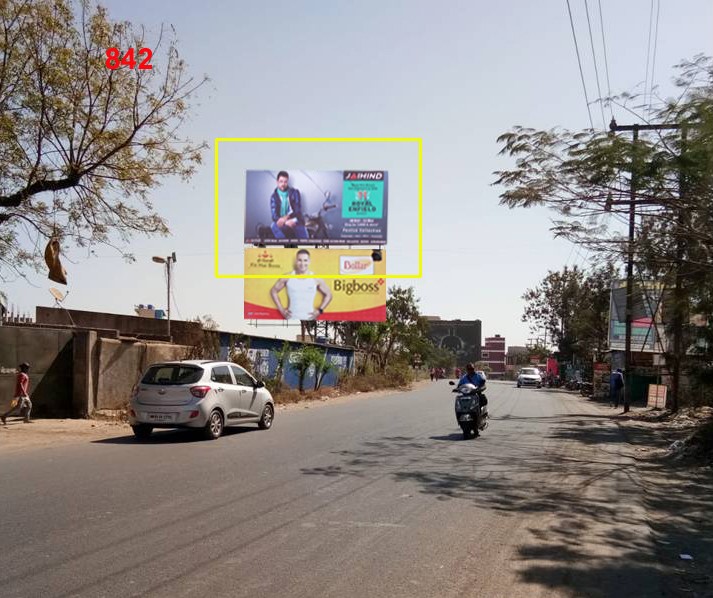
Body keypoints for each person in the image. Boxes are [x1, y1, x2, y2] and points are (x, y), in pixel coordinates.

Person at [269, 249, 332, 321]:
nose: (302, 263)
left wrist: (320, 310)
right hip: (292, 319)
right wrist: (281, 310)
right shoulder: (287, 277)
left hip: (310, 319)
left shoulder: (315, 279)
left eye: (305, 260)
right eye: (300, 260)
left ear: (309, 261)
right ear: (296, 261)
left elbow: (329, 295)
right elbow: (273, 291)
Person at [270, 171, 309, 239]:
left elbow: (297, 211)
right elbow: (274, 216)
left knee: (302, 233)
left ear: (288, 182)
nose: (283, 184)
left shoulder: (295, 193)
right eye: (281, 181)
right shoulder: (274, 197)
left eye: (285, 181)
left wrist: (287, 218)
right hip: (282, 220)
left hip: (294, 218)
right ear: (277, 182)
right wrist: (285, 222)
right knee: (273, 226)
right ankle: (285, 245)